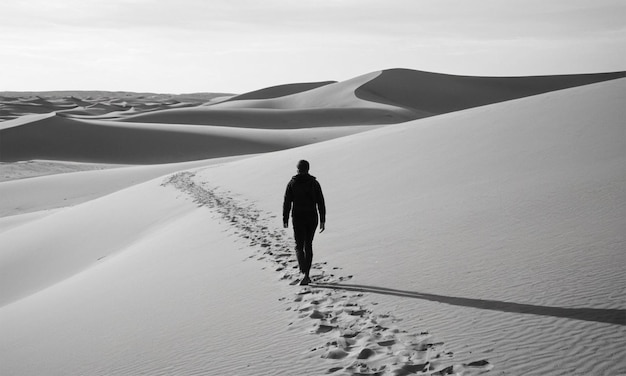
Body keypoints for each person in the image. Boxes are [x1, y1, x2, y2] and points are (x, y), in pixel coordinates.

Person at [283, 160, 326, 286]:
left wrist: (285, 218)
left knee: (298, 245)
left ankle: (303, 271)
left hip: (298, 218)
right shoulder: (314, 183)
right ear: (308, 169)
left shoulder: (292, 183)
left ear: (297, 169)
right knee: (308, 245)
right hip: (312, 217)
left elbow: (287, 202)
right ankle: (306, 274)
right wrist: (322, 220)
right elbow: (321, 202)